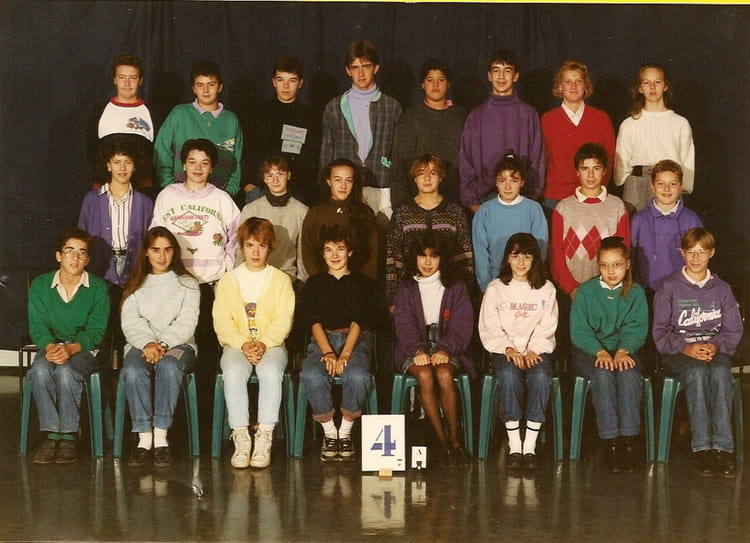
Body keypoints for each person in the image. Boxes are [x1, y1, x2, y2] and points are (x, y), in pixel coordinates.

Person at [653, 228, 743, 478]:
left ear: (711, 253)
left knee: (721, 372)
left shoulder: (722, 289)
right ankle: (702, 447)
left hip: (713, 352)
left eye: (701, 252)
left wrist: (716, 345)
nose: (695, 258)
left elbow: (733, 330)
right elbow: (660, 333)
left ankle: (723, 448)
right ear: (682, 253)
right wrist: (685, 347)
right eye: (690, 252)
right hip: (679, 354)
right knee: (697, 373)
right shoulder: (668, 287)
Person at [151, 138, 240, 385]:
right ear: (183, 165)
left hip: (209, 285)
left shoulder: (221, 199)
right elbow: (155, 236)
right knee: (174, 347)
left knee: (207, 349)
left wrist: (227, 270)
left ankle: (205, 405)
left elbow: (236, 237)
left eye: (204, 163)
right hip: (175, 285)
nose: (197, 168)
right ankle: (177, 407)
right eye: (192, 162)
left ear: (212, 168)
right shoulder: (168, 196)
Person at [213, 217, 295, 469]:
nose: (255, 252)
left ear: (270, 247)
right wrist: (243, 343)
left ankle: (264, 436)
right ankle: (241, 436)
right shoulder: (229, 280)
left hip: (272, 345)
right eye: (250, 245)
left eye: (261, 245)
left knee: (270, 370)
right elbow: (222, 320)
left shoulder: (280, 280)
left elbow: (284, 319)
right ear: (242, 247)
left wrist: (265, 343)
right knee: (233, 371)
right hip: (237, 345)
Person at [26, 227, 110, 464]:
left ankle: (69, 435)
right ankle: (52, 433)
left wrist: (71, 348)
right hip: (52, 346)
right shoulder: (41, 285)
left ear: (88, 259)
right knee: (39, 371)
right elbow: (38, 327)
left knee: (65, 372)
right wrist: (50, 347)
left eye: (82, 253)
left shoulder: (98, 288)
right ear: (58, 256)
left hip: (84, 348)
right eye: (69, 251)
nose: (75, 258)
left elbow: (96, 331)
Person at [120, 227, 200, 468]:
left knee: (169, 366)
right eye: (156, 250)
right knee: (133, 369)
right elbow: (131, 321)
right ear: (146, 252)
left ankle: (161, 438)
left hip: (178, 345)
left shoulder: (188, 284)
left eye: (167, 250)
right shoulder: (135, 284)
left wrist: (162, 344)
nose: (162, 256)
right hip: (141, 344)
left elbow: (186, 322)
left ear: (175, 252)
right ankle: (144, 439)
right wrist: (148, 343)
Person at [393, 232, 474, 466]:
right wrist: (417, 350)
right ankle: (443, 442)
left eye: (434, 256)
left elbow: (462, 323)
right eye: (422, 256)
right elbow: (403, 323)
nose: (427, 262)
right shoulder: (406, 287)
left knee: (444, 373)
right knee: (426, 375)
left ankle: (456, 441)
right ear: (415, 258)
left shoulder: (455, 286)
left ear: (442, 259)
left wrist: (445, 348)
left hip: (447, 343)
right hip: (413, 346)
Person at [478, 233, 558, 470]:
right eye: (515, 256)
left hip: (536, 349)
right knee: (509, 375)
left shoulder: (546, 288)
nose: (521, 262)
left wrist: (534, 349)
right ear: (507, 259)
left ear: (535, 259)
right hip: (505, 350)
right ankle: (515, 444)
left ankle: (529, 445)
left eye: (527, 256)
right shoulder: (496, 288)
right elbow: (490, 326)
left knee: (540, 376)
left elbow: (547, 326)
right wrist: (509, 348)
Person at [570, 236, 648, 472]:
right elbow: (579, 330)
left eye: (617, 265)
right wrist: (600, 352)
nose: (611, 271)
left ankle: (629, 440)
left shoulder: (636, 292)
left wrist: (623, 350)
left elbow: (636, 328)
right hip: (590, 350)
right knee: (602, 375)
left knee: (628, 374)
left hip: (623, 349)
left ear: (627, 265)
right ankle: (610, 442)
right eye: (604, 265)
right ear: (598, 266)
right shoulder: (586, 291)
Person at [78, 134, 154, 378]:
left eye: (128, 162)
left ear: (135, 166)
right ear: (107, 165)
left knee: (129, 340)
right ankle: (101, 396)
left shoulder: (144, 202)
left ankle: (125, 394)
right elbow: (81, 240)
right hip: (100, 276)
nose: (122, 168)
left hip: (132, 278)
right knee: (100, 341)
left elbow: (149, 242)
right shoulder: (92, 200)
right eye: (117, 162)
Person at [299, 224, 376, 462]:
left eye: (340, 249)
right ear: (322, 254)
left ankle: (345, 432)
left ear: (349, 252)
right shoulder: (314, 284)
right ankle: (330, 432)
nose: (334, 255)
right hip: (322, 341)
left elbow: (359, 322)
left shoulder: (363, 283)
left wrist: (344, 355)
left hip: (354, 341)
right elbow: (313, 322)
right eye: (328, 250)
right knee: (311, 374)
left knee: (358, 376)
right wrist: (329, 353)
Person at [319, 40, 402, 225]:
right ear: (348, 70)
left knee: (382, 237)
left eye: (366, 66)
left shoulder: (392, 106)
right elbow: (326, 153)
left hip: (382, 186)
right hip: (346, 188)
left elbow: (399, 153)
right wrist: (325, 193)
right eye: (355, 67)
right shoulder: (334, 107)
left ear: (376, 68)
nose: (361, 73)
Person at [459, 49, 545, 212]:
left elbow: (537, 161)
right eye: (496, 70)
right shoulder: (476, 116)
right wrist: (473, 203)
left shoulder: (528, 114)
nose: (501, 76)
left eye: (507, 71)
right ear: (489, 76)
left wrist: (529, 200)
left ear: (516, 76)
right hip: (484, 200)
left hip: (522, 199)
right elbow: (466, 163)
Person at [386, 153, 473, 304]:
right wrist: (393, 297)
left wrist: (466, 293)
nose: (427, 178)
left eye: (433, 173)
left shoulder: (454, 211)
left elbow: (465, 256)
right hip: (411, 291)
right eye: (421, 173)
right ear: (414, 178)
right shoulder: (403, 211)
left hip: (448, 291)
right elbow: (392, 255)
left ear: (441, 177)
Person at [550, 142, 629, 301]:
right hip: (571, 291)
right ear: (577, 171)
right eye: (585, 169)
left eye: (596, 168)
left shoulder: (617, 207)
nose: (591, 175)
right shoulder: (563, 208)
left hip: (606, 291)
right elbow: (556, 252)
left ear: (605, 170)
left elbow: (623, 250)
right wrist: (571, 288)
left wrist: (607, 286)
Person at [154, 60, 243, 196]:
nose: (205, 90)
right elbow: (162, 153)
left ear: (220, 87)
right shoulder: (180, 113)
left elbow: (237, 163)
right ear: (193, 88)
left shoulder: (231, 120)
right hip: (180, 195)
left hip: (218, 198)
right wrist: (171, 189)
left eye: (211, 85)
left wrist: (226, 194)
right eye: (200, 85)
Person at [614, 63, 695, 212]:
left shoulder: (680, 123)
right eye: (647, 82)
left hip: (668, 185)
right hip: (637, 185)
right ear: (640, 88)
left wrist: (683, 186)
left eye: (657, 82)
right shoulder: (630, 124)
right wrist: (626, 183)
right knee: (636, 225)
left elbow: (687, 159)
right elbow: (621, 162)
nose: (652, 87)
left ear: (665, 86)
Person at [541, 60, 615, 212]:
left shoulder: (601, 119)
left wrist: (597, 191)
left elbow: (610, 158)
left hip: (592, 195)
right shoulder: (547, 120)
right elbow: (542, 160)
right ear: (560, 87)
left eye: (579, 81)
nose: (573, 86)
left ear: (586, 86)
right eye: (568, 81)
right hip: (556, 197)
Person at [391, 58, 467, 207]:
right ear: (422, 84)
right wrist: (400, 204)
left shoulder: (461, 117)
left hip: (454, 200)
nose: (435, 85)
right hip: (417, 201)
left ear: (448, 84)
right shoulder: (410, 117)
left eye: (441, 80)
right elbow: (399, 165)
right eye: (430, 80)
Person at [245, 57, 320, 206]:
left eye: (292, 80)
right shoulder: (259, 113)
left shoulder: (310, 117)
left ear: (300, 83)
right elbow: (248, 153)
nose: (286, 86)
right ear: (273, 81)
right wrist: (249, 186)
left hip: (297, 193)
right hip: (260, 190)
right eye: (281, 80)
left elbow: (313, 159)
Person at [472, 151, 548, 293]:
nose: (507, 187)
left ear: (522, 182)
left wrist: (532, 279)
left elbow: (540, 249)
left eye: (513, 181)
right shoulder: (485, 211)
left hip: (527, 281)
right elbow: (480, 253)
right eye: (502, 181)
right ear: (496, 182)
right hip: (495, 282)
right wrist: (487, 287)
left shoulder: (533, 209)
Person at [630, 159, 703, 294]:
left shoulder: (691, 219)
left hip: (682, 292)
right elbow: (631, 259)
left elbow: (699, 258)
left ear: (681, 187)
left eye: (673, 184)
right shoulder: (639, 219)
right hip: (646, 291)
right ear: (652, 186)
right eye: (661, 184)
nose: (667, 189)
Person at [88, 53, 155, 193]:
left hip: (142, 191)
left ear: (141, 80)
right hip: (106, 188)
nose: (127, 83)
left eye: (133, 78)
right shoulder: (100, 111)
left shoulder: (152, 113)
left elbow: (157, 156)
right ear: (114, 79)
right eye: (122, 77)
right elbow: (91, 151)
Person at [301, 159, 378, 280]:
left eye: (348, 180)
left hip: (358, 283)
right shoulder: (315, 213)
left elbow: (372, 254)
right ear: (329, 182)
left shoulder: (365, 213)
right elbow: (308, 251)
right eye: (338, 180)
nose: (343, 186)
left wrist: (364, 283)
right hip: (323, 283)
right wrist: (320, 280)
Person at [238, 155, 308, 285]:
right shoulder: (251, 209)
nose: (275, 180)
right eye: (270, 176)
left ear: (288, 175)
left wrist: (302, 280)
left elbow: (303, 252)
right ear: (264, 179)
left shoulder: (301, 211)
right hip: (255, 277)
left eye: (280, 174)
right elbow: (241, 248)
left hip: (286, 278)